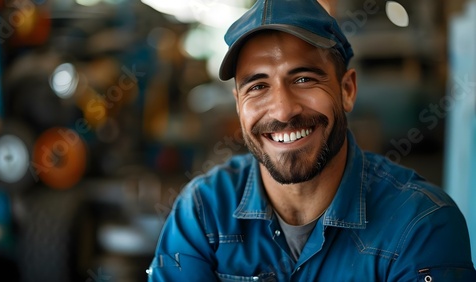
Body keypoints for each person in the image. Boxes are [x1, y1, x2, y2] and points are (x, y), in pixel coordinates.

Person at [147, 0, 476, 281]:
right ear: (238, 104)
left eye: (303, 78)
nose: (283, 110)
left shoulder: (421, 225)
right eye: (258, 86)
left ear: (347, 90)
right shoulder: (203, 212)